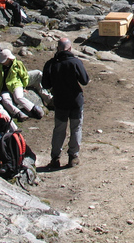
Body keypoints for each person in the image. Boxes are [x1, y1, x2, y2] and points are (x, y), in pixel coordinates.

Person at [42, 37, 90, 169]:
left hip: (60, 101)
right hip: (75, 101)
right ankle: (73, 157)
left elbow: (45, 84)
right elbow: (85, 80)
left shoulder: (51, 64)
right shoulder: (75, 62)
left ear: (57, 48)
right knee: (76, 128)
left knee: (59, 130)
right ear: (70, 48)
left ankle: (55, 158)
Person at [0, 49, 43, 121]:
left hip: (16, 85)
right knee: (5, 100)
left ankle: (34, 109)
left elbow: (24, 76)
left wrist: (24, 86)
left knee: (18, 97)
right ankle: (19, 113)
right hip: (3, 88)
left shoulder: (18, 64)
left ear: (9, 59)